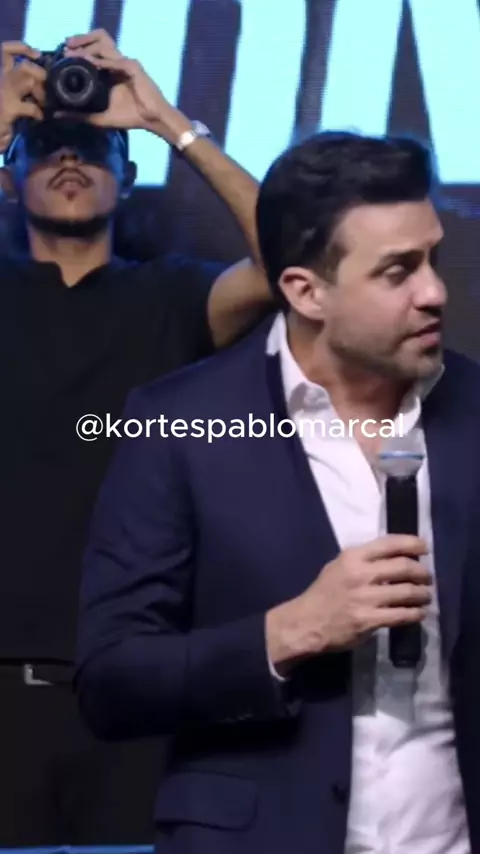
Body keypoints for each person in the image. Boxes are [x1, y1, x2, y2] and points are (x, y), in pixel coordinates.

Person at [75, 130, 480, 854]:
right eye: (398, 271)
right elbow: (112, 680)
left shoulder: (475, 408)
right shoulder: (180, 424)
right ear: (304, 291)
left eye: (433, 259)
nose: (434, 293)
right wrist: (291, 632)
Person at [0, 28, 274, 847]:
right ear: (9, 176)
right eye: (44, 144)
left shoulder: (173, 297)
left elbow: (295, 261)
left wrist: (167, 122)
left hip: (135, 691)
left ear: (128, 175)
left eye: (93, 144)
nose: (69, 156)